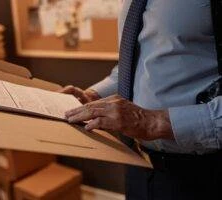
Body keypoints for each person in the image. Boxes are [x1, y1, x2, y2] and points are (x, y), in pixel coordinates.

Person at [60, 0, 222, 199]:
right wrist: (93, 97)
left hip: (202, 176)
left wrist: (153, 122)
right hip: (138, 166)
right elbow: (133, 67)